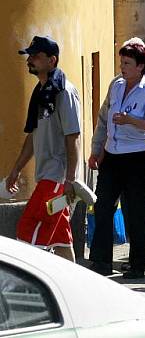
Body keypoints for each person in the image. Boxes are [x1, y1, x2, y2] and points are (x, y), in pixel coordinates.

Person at [91, 37, 145, 271]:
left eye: (127, 63)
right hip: (113, 153)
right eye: (122, 62)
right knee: (103, 206)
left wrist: (131, 120)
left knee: (137, 210)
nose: (122, 67)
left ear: (141, 66)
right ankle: (101, 261)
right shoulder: (116, 85)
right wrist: (97, 149)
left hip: (139, 156)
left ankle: (137, 264)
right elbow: (103, 118)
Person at [8, 36, 81, 261]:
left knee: (29, 230)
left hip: (57, 178)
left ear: (52, 60)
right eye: (29, 56)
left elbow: (73, 137)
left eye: (36, 56)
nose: (30, 60)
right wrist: (16, 169)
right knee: (61, 240)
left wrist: (70, 180)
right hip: (49, 176)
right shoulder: (42, 92)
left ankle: (31, 290)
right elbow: (33, 135)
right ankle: (75, 289)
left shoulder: (63, 92)